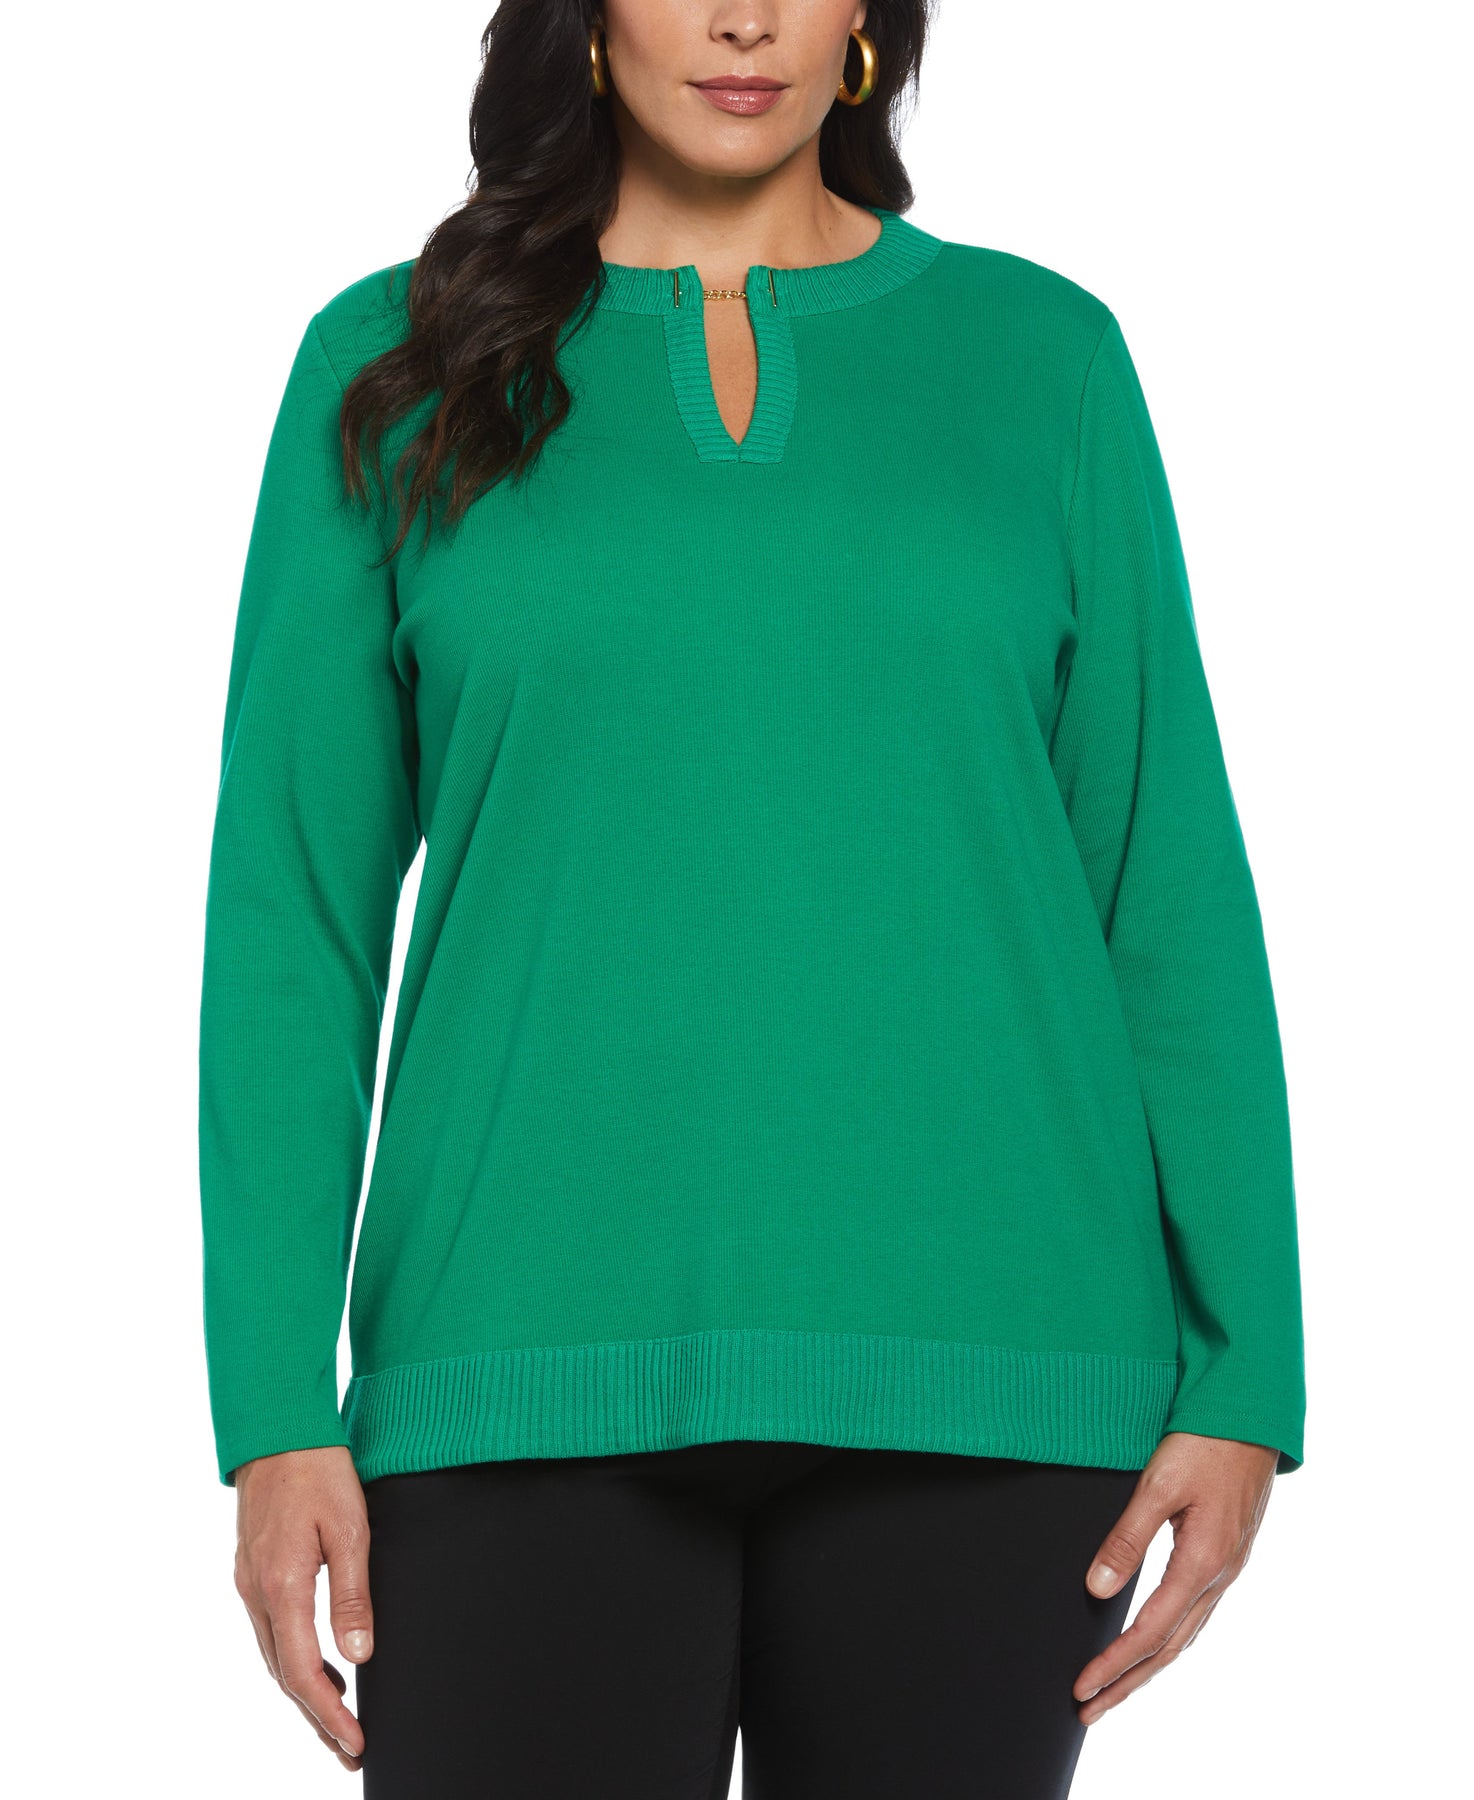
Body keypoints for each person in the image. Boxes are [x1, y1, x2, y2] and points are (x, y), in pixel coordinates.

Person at [198, 4, 1307, 1795]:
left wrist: (1245, 1375)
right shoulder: (392, 363)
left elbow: (1162, 882)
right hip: (512, 1363)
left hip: (990, 1364)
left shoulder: (1045, 360)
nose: (742, 17)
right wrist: (268, 1408)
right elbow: (291, 918)